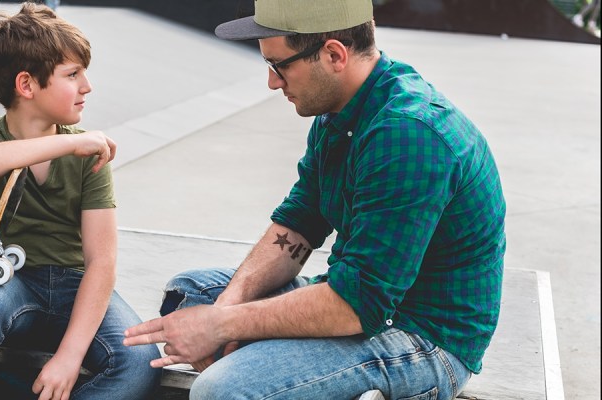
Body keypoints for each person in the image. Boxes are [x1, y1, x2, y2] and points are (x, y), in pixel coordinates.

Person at [123, 0, 506, 399]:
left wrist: (223, 327)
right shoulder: (339, 110)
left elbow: (359, 305)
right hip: (359, 299)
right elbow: (299, 223)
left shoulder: (408, 136)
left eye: (280, 66)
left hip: (423, 337)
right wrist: (225, 309)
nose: (273, 83)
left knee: (223, 390)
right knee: (189, 294)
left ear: (334, 54)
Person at [0, 3, 161, 400]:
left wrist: (69, 357)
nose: (87, 86)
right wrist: (70, 141)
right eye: (73, 75)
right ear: (27, 85)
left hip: (76, 287)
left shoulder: (89, 156)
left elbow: (102, 262)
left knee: (140, 361)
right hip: (9, 284)